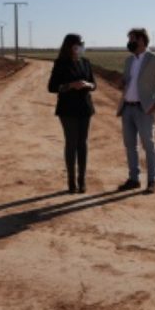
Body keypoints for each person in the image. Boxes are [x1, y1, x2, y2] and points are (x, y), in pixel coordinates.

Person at [117, 28, 155, 194]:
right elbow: (129, 80)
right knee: (130, 145)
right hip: (127, 107)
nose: (129, 42)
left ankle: (152, 181)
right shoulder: (129, 60)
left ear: (142, 40)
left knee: (148, 145)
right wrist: (123, 83)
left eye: (132, 39)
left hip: (145, 110)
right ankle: (133, 179)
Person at [48, 33, 96, 193]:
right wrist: (70, 86)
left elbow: (94, 85)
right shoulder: (61, 63)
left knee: (83, 143)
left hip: (85, 107)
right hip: (67, 109)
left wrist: (87, 84)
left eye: (82, 44)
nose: (81, 47)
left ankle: (82, 180)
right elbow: (52, 87)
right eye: (79, 44)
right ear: (70, 46)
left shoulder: (86, 62)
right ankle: (71, 181)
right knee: (71, 142)